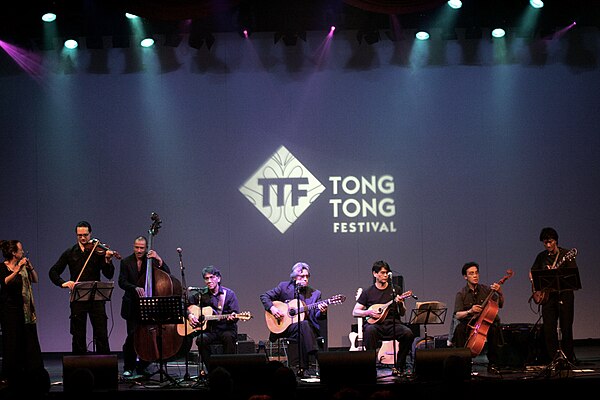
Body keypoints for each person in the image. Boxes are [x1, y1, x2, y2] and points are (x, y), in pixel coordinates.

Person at [48, 220, 116, 354]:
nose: (83, 238)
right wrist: (63, 283)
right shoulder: (70, 252)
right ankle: (80, 367)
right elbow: (53, 271)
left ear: (90, 234)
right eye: (80, 235)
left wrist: (108, 260)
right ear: (76, 235)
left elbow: (109, 274)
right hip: (78, 298)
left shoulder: (98, 251)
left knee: (101, 333)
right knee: (78, 334)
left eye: (85, 234)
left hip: (96, 298)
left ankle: (104, 367)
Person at [260, 262, 327, 376]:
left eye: (307, 276)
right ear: (294, 277)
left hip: (306, 328)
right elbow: (264, 296)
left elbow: (316, 316)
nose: (305, 279)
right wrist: (272, 309)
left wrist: (322, 311)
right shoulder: (284, 287)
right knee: (303, 326)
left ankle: (301, 369)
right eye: (302, 276)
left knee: (303, 325)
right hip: (284, 327)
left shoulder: (315, 294)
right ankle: (313, 355)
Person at [118, 235, 169, 377]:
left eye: (141, 248)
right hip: (132, 306)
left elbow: (167, 273)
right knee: (132, 337)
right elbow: (121, 281)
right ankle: (128, 366)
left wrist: (158, 259)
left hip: (148, 306)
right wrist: (134, 287)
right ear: (133, 246)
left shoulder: (151, 261)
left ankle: (143, 366)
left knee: (148, 337)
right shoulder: (126, 262)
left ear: (146, 248)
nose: (139, 250)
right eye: (136, 247)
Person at [352, 260, 414, 373]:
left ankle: (400, 366)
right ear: (375, 274)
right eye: (382, 272)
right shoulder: (368, 292)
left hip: (393, 324)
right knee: (369, 331)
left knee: (408, 333)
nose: (385, 275)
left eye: (387, 273)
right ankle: (370, 368)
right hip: (376, 326)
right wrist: (368, 313)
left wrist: (400, 303)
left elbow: (402, 313)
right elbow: (355, 312)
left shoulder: (395, 290)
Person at [0, 240, 46, 391]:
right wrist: (17, 270)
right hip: (10, 311)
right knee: (12, 342)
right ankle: (11, 376)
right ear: (14, 252)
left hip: (25, 310)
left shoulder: (23, 266)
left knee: (28, 340)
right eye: (20, 250)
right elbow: (5, 282)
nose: (23, 251)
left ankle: (31, 372)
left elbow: (35, 279)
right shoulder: (3, 267)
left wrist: (29, 267)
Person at [529, 227, 579, 364]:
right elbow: (532, 273)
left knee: (566, 327)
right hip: (548, 298)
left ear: (555, 240)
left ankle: (568, 359)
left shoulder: (566, 254)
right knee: (549, 328)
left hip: (564, 296)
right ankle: (554, 359)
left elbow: (572, 276)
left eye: (550, 242)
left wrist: (557, 273)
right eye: (545, 243)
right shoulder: (541, 256)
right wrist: (535, 287)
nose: (548, 245)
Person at [452, 261, 504, 372]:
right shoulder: (461, 294)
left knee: (494, 329)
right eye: (471, 273)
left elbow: (500, 304)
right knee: (459, 330)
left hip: (484, 322)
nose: (475, 276)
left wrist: (500, 293)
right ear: (465, 277)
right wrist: (469, 311)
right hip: (469, 322)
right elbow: (457, 314)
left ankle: (493, 364)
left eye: (476, 273)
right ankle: (464, 365)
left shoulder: (486, 290)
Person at [186, 265, 240, 371]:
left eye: (212, 277)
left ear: (218, 278)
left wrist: (233, 317)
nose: (209, 281)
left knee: (229, 338)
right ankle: (211, 370)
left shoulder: (229, 294)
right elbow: (183, 304)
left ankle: (227, 370)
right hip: (210, 330)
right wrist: (190, 315)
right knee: (200, 340)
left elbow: (235, 314)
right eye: (206, 278)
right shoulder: (201, 294)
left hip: (226, 328)